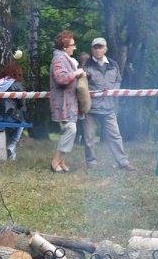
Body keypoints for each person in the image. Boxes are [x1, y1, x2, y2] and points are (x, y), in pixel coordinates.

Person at [82, 37, 134, 170]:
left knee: (115, 136)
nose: (98, 49)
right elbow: (81, 86)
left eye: (101, 47)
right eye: (95, 47)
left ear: (106, 49)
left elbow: (118, 81)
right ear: (92, 49)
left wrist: (114, 91)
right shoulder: (86, 65)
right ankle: (91, 163)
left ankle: (123, 162)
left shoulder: (113, 64)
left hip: (109, 108)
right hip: (91, 108)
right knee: (89, 137)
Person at [49, 30, 85, 172]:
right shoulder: (59, 59)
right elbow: (61, 78)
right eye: (72, 45)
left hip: (70, 102)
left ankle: (61, 161)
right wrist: (76, 73)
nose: (74, 47)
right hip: (63, 102)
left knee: (69, 130)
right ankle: (55, 161)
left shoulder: (66, 59)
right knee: (71, 129)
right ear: (64, 47)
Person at [0, 60, 26, 160]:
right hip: (10, 117)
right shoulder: (17, 84)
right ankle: (12, 146)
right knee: (22, 122)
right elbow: (21, 104)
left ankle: (5, 148)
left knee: (7, 122)